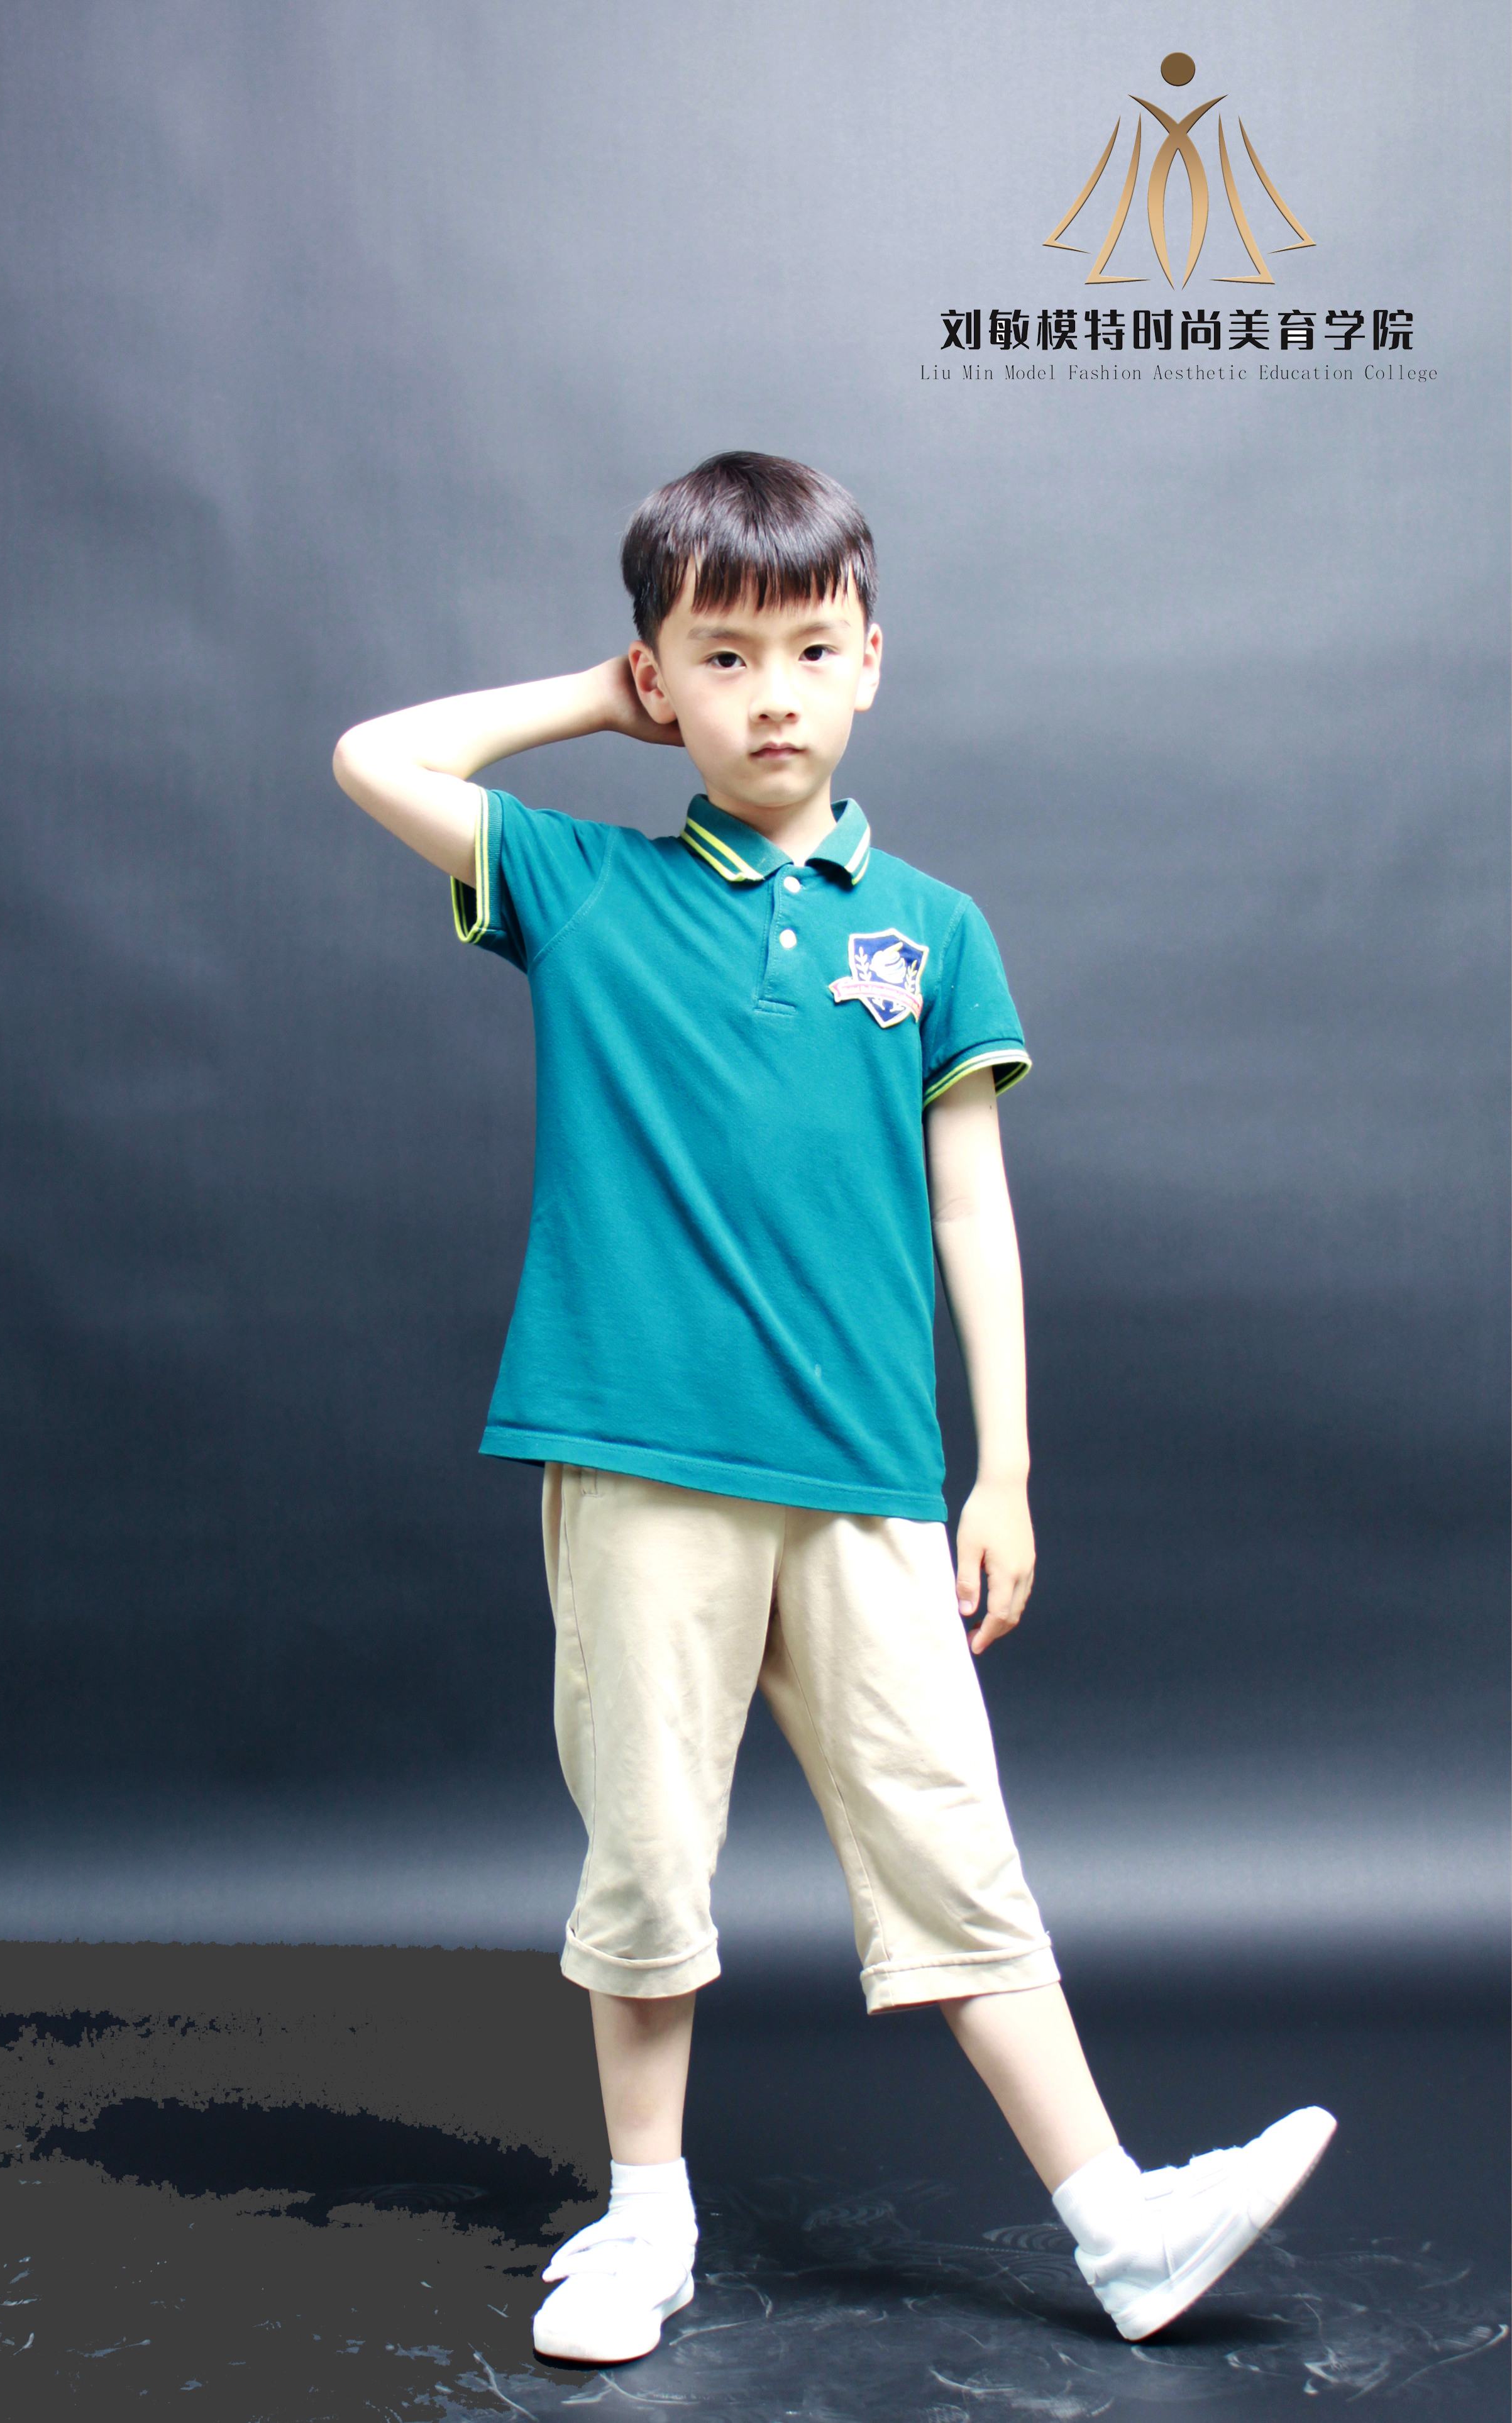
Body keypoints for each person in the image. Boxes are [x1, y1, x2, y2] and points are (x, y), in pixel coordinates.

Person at [332, 452, 1334, 2367]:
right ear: (663, 683)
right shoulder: (585, 885)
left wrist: (1002, 1470)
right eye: (720, 658)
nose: (771, 694)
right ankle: (644, 2220)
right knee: (648, 1852)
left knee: (954, 1846)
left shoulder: (933, 930)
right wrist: (590, 696)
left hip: (871, 1473)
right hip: (640, 1458)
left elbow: (973, 1209)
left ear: (873, 660)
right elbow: (376, 755)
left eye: (810, 650)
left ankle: (1122, 2225)